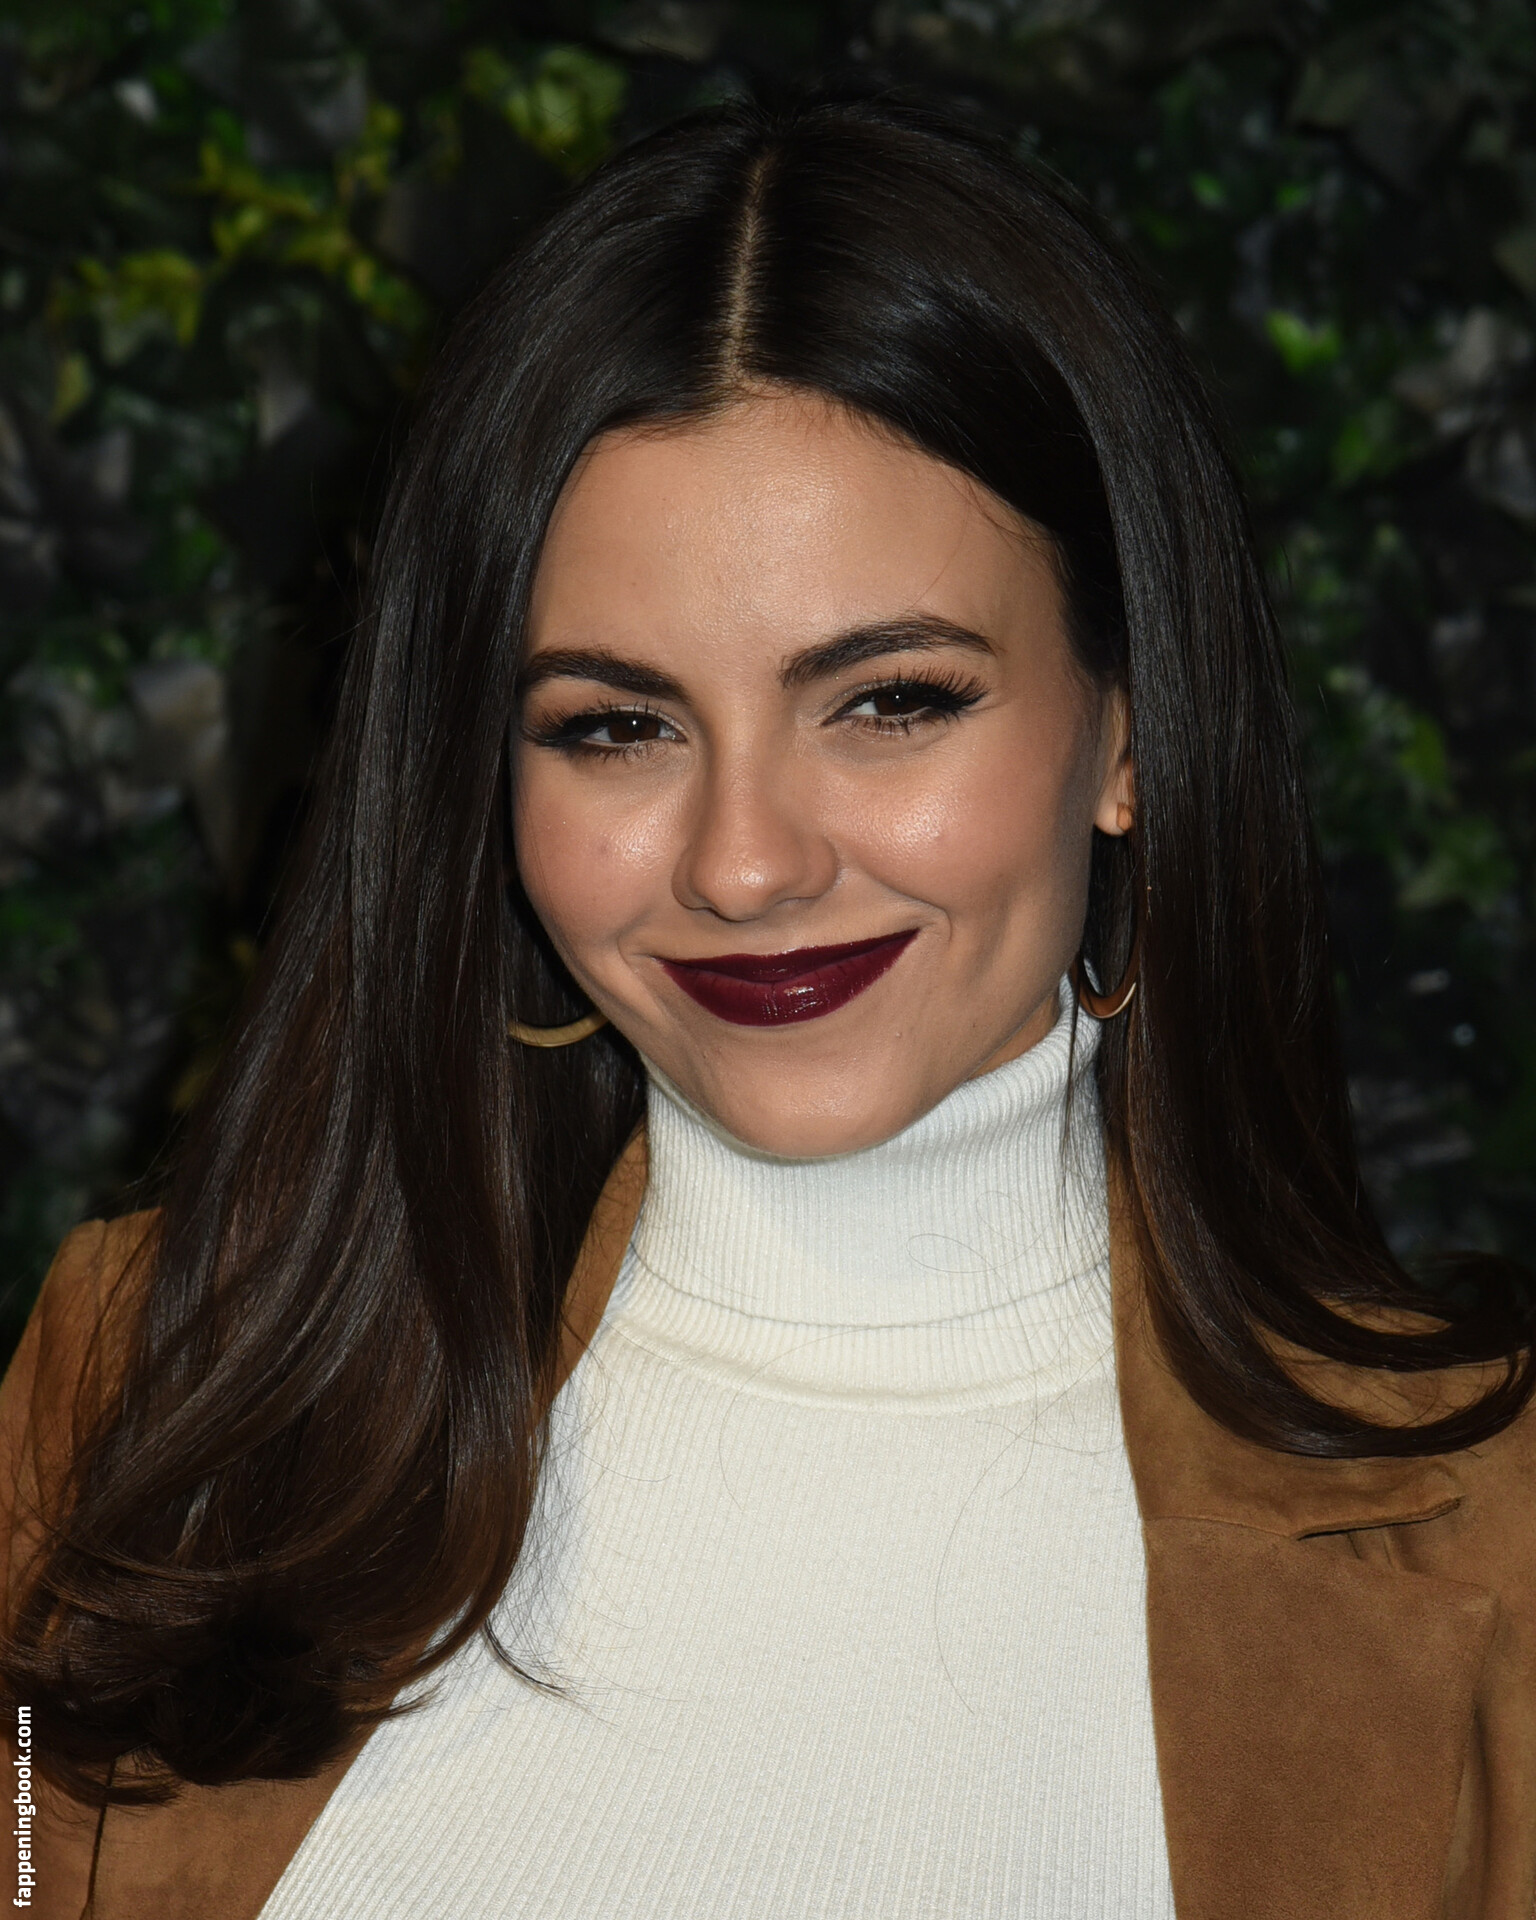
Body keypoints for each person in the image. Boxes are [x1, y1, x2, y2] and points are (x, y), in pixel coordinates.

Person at [3, 91, 1534, 1920]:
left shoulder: (1494, 1538)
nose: (744, 865)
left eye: (890, 700)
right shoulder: (140, 1387)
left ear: (1130, 729)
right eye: (615, 725)